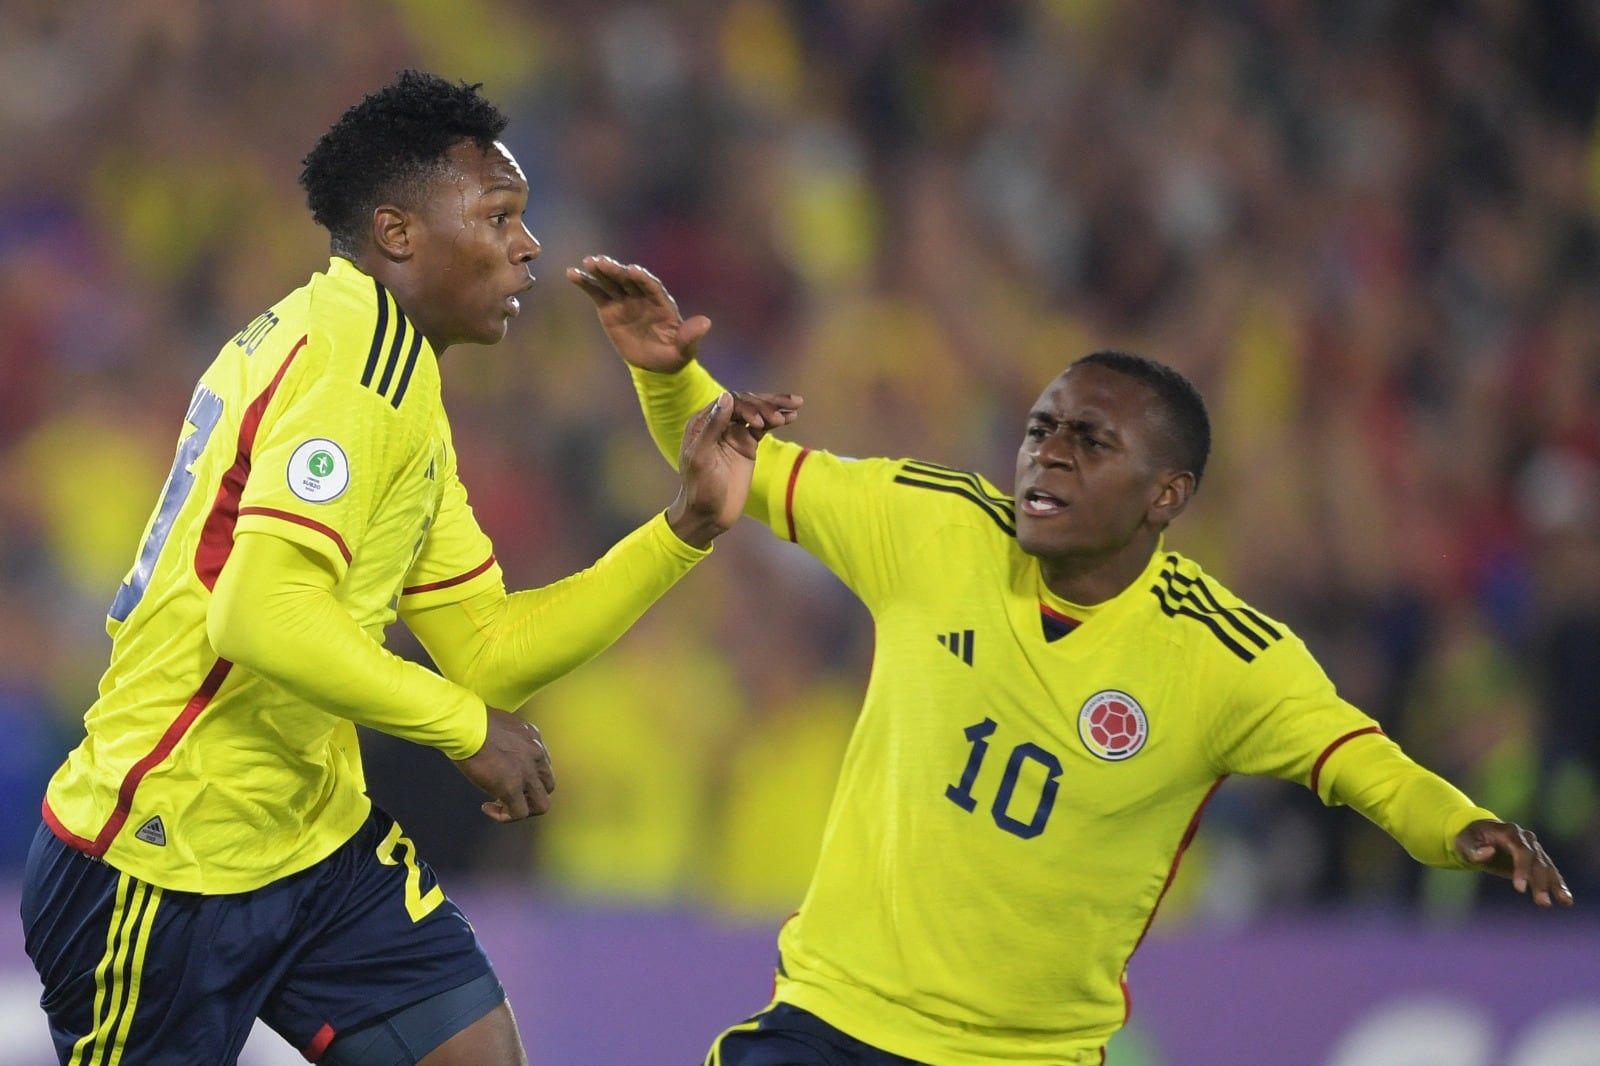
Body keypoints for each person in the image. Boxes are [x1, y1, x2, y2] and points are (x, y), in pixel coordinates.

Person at [568, 255, 1576, 1066]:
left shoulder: (1224, 656)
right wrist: (668, 375)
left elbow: (1364, 764)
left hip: (1030, 1055)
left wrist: (1461, 826)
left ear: (1165, 496)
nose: (1046, 454)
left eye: (1089, 442)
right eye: (1041, 429)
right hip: (834, 1024)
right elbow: (730, 466)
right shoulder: (937, 527)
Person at [20, 73, 780, 1066]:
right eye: (500, 215)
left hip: (307, 836)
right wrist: (464, 731)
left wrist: (681, 529)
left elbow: (489, 651)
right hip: (160, 854)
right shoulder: (351, 365)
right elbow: (258, 614)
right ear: (399, 232)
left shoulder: (396, 379)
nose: (528, 245)